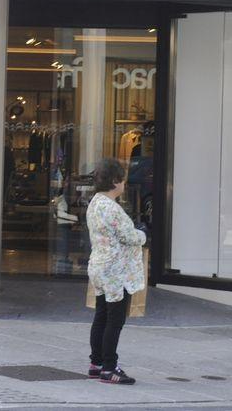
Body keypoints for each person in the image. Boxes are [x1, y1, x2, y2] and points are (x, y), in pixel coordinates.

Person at [86, 157, 147, 385]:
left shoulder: (95, 202)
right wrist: (143, 233)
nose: (124, 184)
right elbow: (130, 237)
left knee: (101, 315)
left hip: (100, 266)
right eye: (122, 180)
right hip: (116, 271)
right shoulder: (112, 208)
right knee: (115, 319)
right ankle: (110, 367)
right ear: (114, 181)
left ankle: (97, 363)